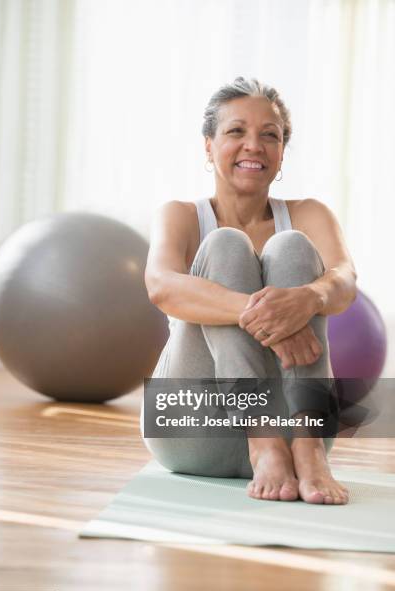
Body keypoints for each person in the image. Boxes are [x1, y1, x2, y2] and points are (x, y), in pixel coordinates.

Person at [142, 77, 357, 505]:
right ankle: (260, 437)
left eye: (270, 135)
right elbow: (161, 286)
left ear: (281, 153)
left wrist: (307, 299)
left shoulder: (309, 214)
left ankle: (308, 445)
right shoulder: (180, 215)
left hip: (296, 443)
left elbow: (345, 281)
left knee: (293, 246)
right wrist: (270, 314)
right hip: (193, 430)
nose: (253, 145)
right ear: (209, 145)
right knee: (225, 244)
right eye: (236, 131)